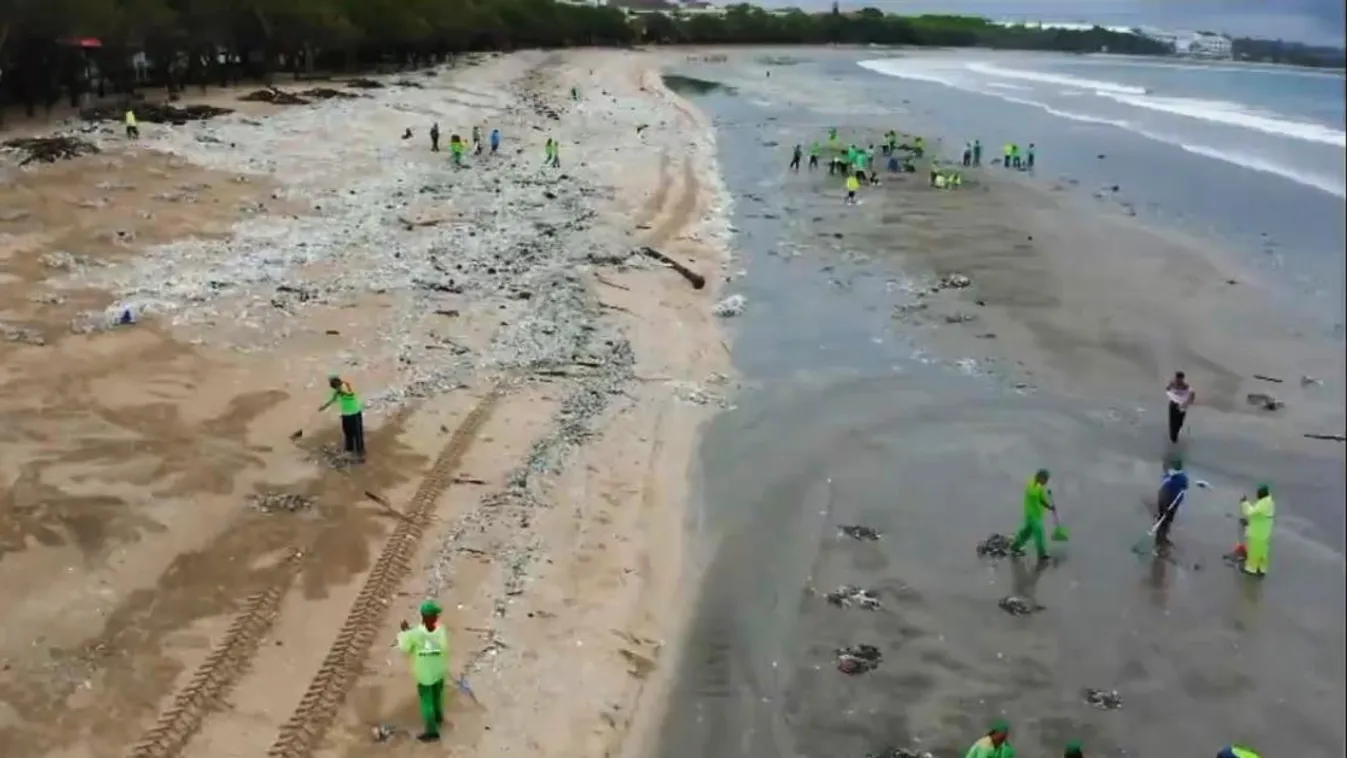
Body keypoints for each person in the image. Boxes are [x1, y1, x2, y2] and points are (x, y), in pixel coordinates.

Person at [397, 600, 450, 742]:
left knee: (427, 703)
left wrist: (404, 632)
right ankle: (439, 718)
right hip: (438, 671)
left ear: (422, 616)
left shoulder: (414, 635)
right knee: (437, 697)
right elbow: (444, 647)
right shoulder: (441, 631)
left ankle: (432, 731)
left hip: (424, 675)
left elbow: (404, 648)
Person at [1011, 469, 1055, 562]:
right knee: (1040, 533)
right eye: (1045, 479)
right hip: (1034, 515)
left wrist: (1049, 506)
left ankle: (1015, 547)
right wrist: (1050, 506)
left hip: (1031, 514)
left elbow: (1041, 499)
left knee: (1026, 533)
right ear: (1040, 478)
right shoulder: (1036, 487)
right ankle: (1042, 553)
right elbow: (1042, 500)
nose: (1046, 482)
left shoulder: (1032, 484)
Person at [319, 373, 365, 461]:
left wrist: (343, 388)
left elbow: (351, 395)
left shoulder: (347, 387)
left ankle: (360, 453)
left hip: (355, 413)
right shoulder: (338, 392)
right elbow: (333, 399)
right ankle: (349, 450)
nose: (338, 388)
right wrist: (324, 407)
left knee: (357, 434)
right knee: (348, 432)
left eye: (338, 386)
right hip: (346, 414)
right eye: (336, 387)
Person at [1154, 456, 1190, 548]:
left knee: (1163, 519)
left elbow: (1164, 489)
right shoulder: (1181, 478)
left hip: (1166, 501)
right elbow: (1184, 487)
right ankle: (1161, 539)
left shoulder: (1169, 476)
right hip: (1170, 502)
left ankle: (1161, 537)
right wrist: (1167, 507)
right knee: (1165, 521)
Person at [1240, 484, 1275, 576]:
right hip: (1265, 531)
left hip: (1258, 532)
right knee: (1263, 552)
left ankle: (1251, 569)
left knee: (1254, 551)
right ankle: (1262, 569)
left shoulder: (1262, 504)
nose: (1257, 495)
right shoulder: (1269, 502)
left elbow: (1250, 512)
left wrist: (1244, 502)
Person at [1165, 371, 1196, 444]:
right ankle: (1173, 438)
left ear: (1182, 379)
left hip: (1182, 406)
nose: (1177, 380)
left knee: (1180, 423)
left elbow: (1192, 394)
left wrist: (1188, 402)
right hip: (1173, 404)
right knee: (1172, 423)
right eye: (1176, 378)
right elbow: (1167, 390)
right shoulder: (1172, 384)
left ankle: (1175, 433)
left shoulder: (1186, 386)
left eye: (1179, 379)